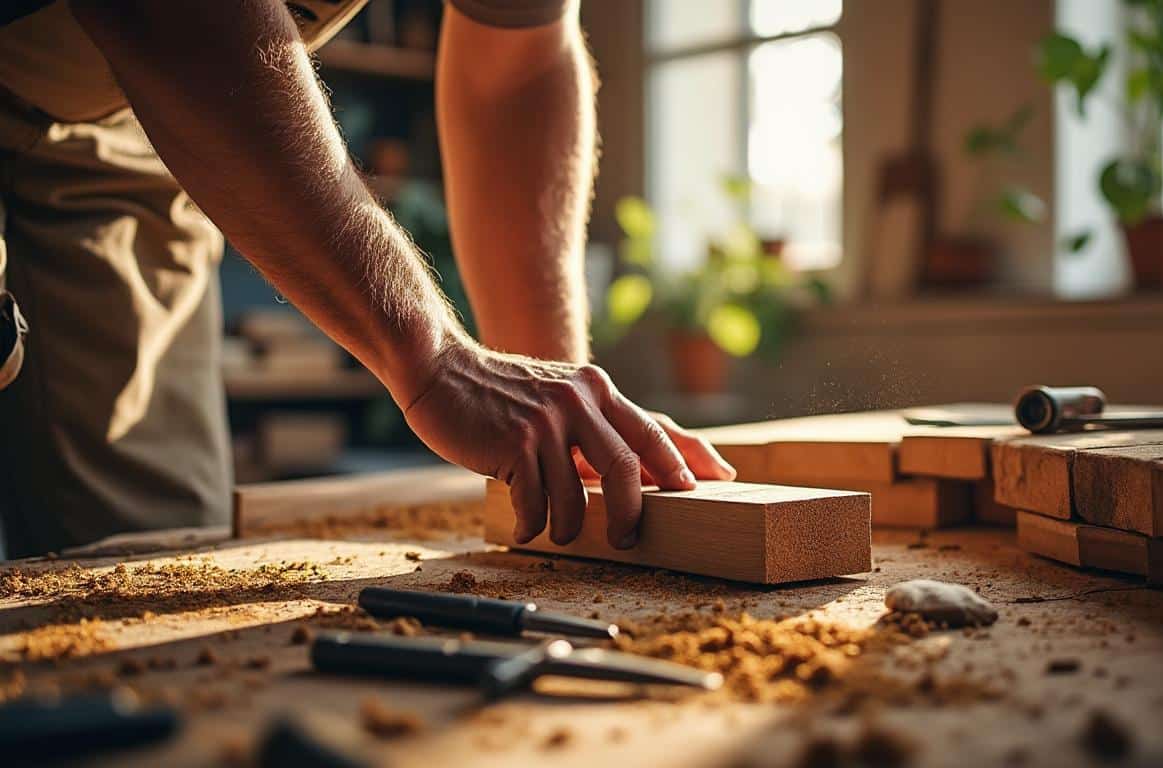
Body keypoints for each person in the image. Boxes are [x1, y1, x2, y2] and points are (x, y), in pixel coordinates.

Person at [0, 0, 735, 559]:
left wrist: (561, 425)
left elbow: (516, 70)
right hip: (151, 40)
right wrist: (433, 356)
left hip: (115, 112)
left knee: (144, 554)